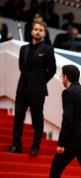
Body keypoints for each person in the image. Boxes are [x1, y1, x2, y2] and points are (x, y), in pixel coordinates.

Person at [9, 20, 56, 156]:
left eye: (40, 30)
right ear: (31, 31)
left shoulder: (47, 49)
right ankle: (16, 145)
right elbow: (21, 67)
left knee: (37, 119)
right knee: (18, 118)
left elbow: (52, 70)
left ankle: (35, 146)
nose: (37, 32)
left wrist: (40, 81)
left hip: (37, 91)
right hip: (22, 89)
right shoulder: (24, 49)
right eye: (35, 29)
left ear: (44, 33)